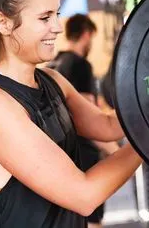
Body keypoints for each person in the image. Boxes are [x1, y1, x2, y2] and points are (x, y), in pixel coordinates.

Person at [0, 0, 142, 228]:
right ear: (3, 23)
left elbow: (108, 126)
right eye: (44, 18)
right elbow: (84, 195)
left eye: (57, 15)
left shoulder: (51, 79)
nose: (58, 27)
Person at [47, 14, 120, 227]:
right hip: (84, 156)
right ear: (87, 35)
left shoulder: (53, 64)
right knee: (92, 219)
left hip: (61, 154)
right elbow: (87, 118)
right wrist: (115, 151)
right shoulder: (80, 65)